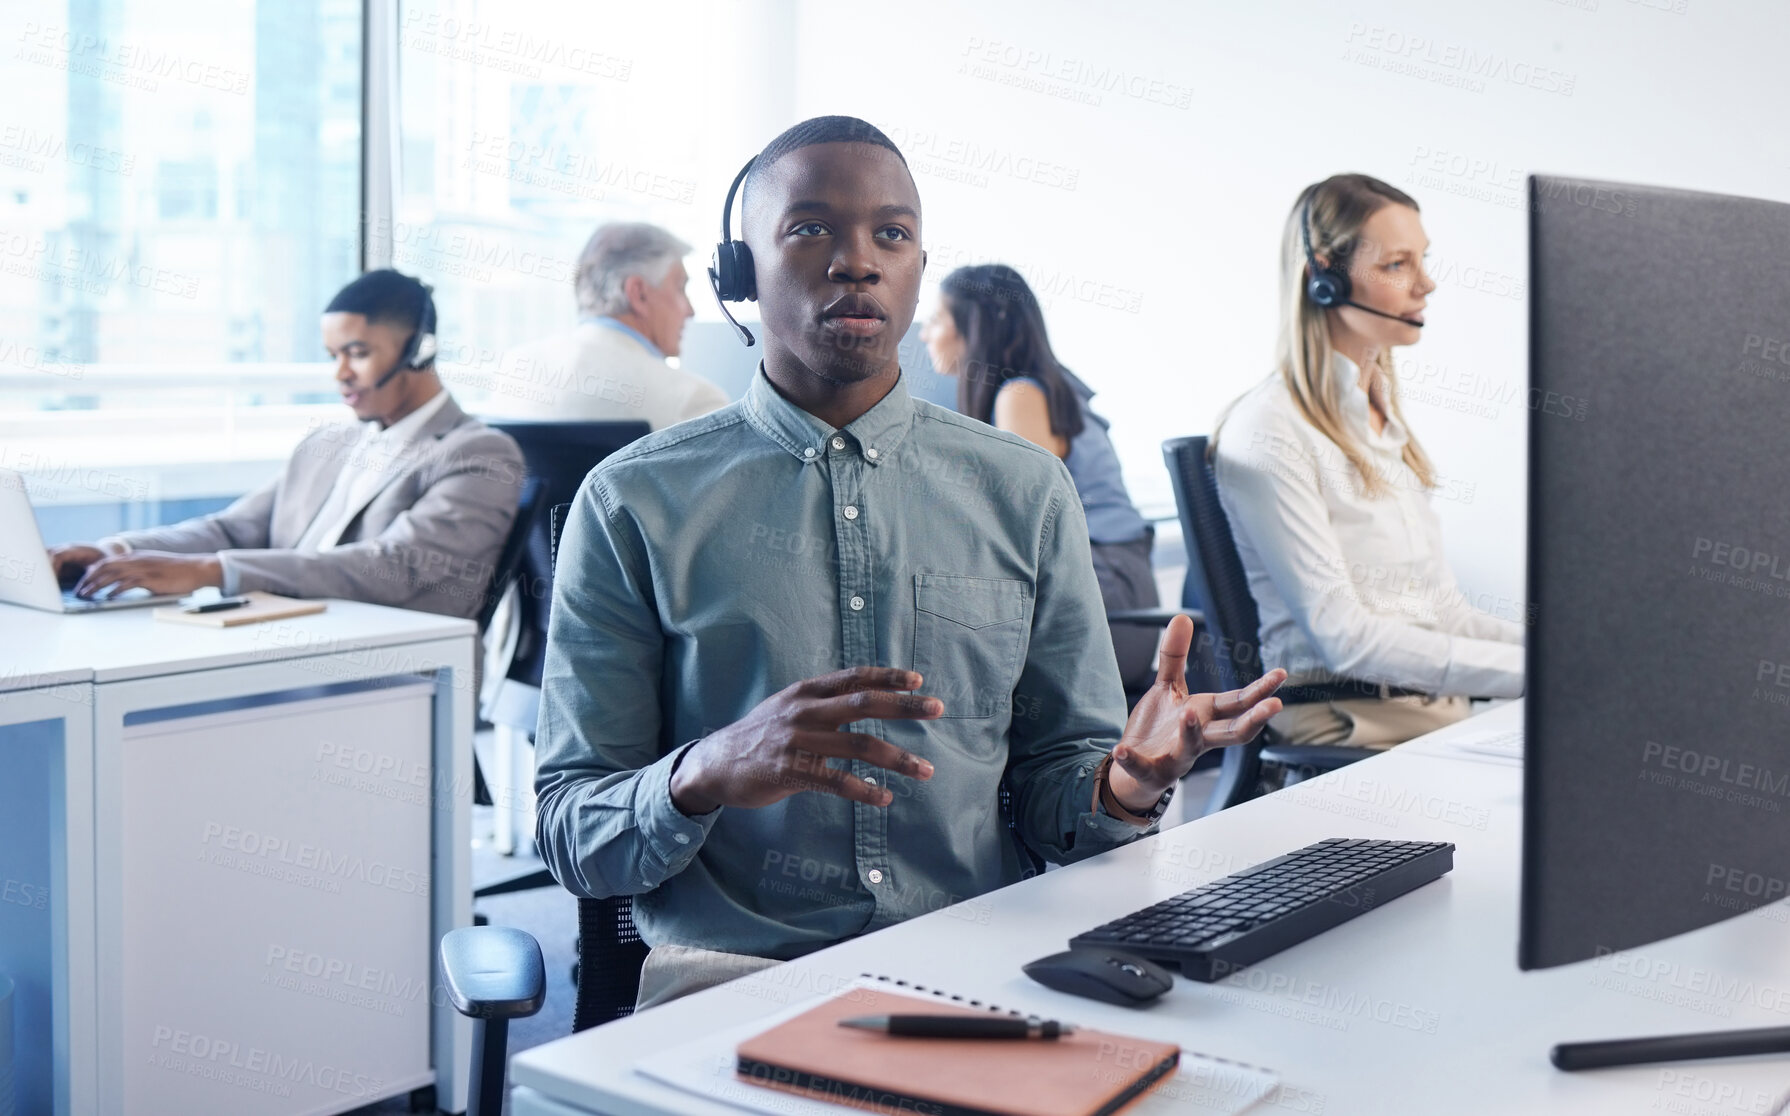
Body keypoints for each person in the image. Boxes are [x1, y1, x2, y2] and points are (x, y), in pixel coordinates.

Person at [532, 116, 1285, 1009]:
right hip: (737, 983)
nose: (859, 261)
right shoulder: (633, 501)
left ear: (919, 268)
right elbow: (571, 829)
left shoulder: (1025, 491)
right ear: (739, 276)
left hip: (982, 974)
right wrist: (704, 772)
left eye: (891, 233)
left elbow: (1060, 795)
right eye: (811, 229)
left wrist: (1123, 785)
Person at [1211, 174, 1523, 750]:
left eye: (1422, 261)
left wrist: (1558, 656)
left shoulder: (1382, 421)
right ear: (1325, 278)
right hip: (1347, 722)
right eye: (1398, 265)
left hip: (1430, 712)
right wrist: (1534, 677)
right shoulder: (1270, 430)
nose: (1426, 285)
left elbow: (1445, 614)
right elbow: (1345, 639)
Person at [48, 269, 524, 621]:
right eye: (334, 356)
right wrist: (116, 550)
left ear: (420, 350)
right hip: (284, 638)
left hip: (394, 670)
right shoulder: (329, 442)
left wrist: (211, 572)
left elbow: (393, 566)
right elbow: (234, 531)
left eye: (357, 354)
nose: (340, 374)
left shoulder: (478, 453)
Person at [921, 264, 1159, 692]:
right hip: (1122, 593)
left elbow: (1027, 532)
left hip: (1106, 604)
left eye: (937, 319)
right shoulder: (1049, 385)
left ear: (974, 329)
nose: (924, 334)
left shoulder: (1019, 395)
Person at [483, 222, 728, 429]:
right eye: (680, 288)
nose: (690, 310)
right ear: (639, 294)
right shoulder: (695, 402)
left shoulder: (514, 372)